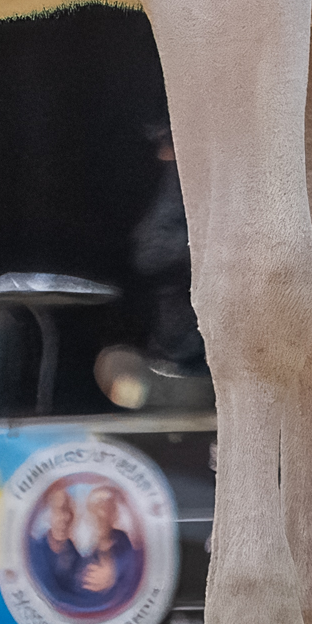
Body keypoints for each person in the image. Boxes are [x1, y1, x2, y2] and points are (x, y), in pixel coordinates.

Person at [95, 122, 212, 411]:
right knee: (120, 368)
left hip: (253, 352)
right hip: (184, 357)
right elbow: (151, 251)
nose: (163, 153)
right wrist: (218, 250)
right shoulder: (184, 177)